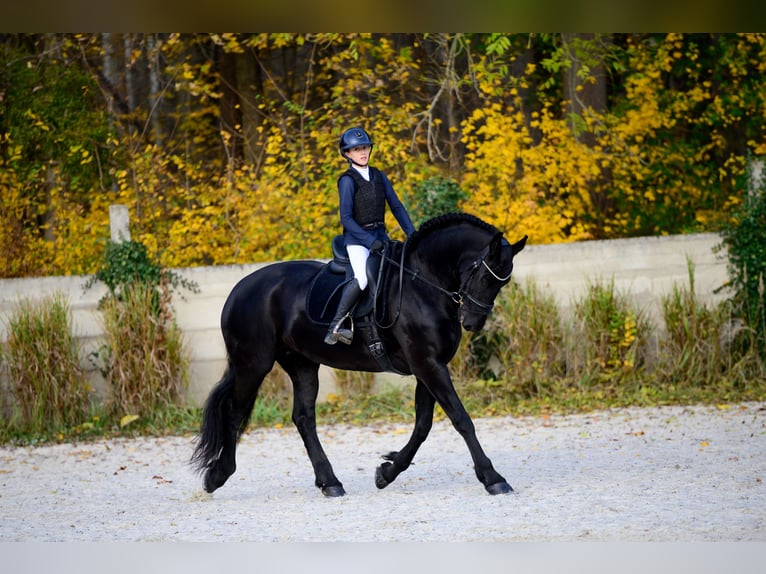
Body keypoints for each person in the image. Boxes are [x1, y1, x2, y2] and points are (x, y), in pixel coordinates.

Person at [324, 127, 416, 345]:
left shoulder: (378, 175)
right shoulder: (347, 180)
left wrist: (413, 235)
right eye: (356, 150)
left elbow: (397, 207)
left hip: (380, 236)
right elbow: (346, 218)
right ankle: (336, 325)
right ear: (347, 154)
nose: (362, 152)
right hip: (357, 241)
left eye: (364, 148)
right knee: (363, 278)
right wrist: (368, 241)